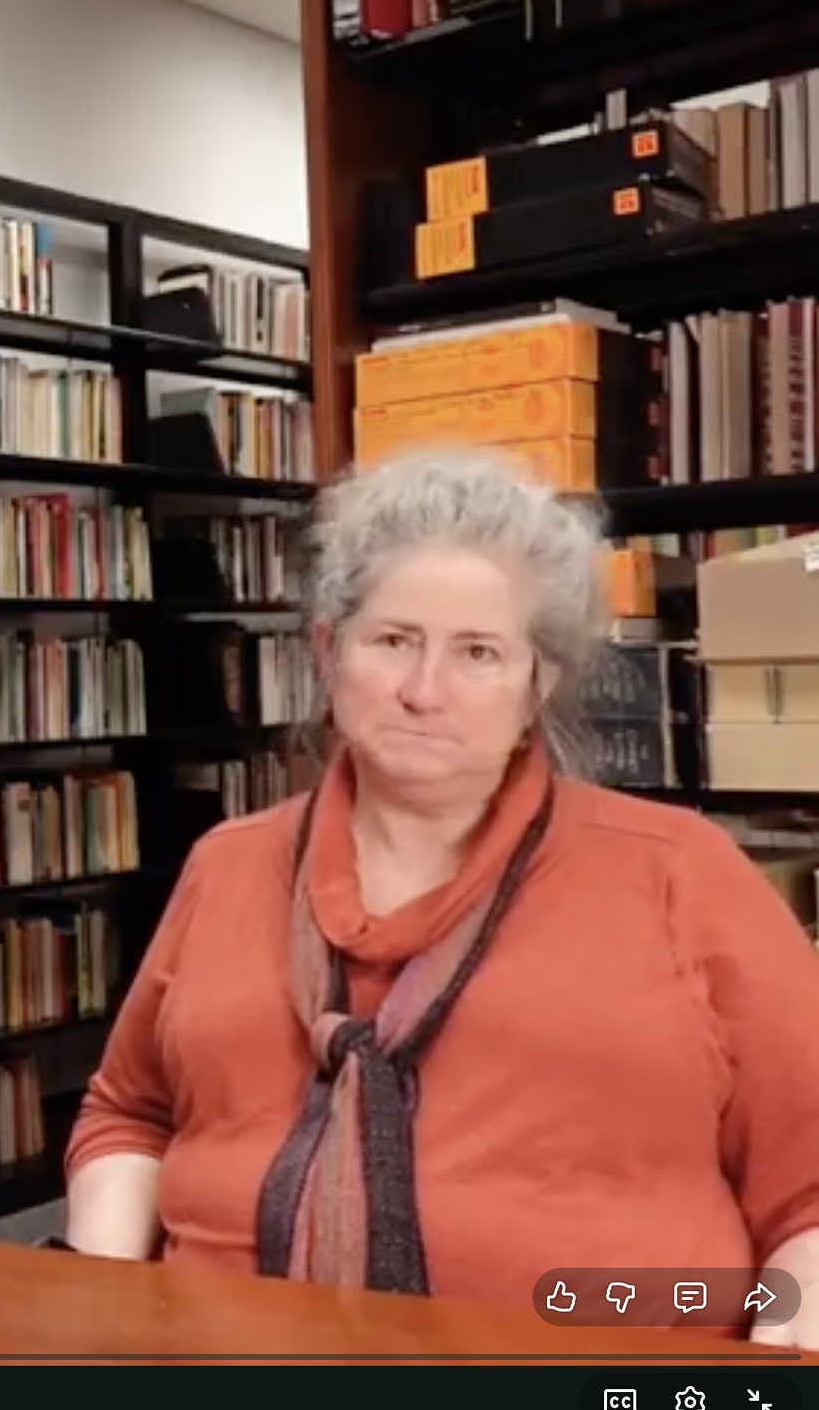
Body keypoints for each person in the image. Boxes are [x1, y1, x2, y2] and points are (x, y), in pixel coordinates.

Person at [63, 446, 819, 1347]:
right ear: (327, 651)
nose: (425, 692)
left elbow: (810, 1194)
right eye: (393, 641)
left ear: (538, 683)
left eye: (478, 653)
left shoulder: (680, 873)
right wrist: (101, 1311)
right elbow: (130, 1116)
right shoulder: (227, 865)